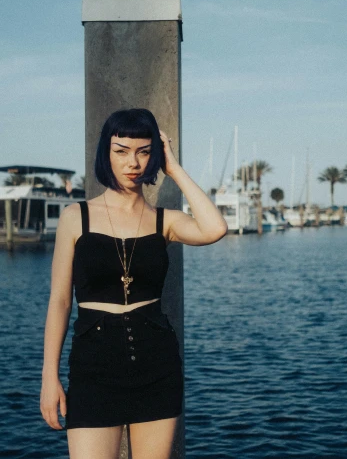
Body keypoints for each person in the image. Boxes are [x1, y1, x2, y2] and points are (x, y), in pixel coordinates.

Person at [40, 109, 227, 458]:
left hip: (156, 364)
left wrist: (174, 168)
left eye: (144, 151)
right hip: (93, 366)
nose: (133, 162)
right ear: (105, 153)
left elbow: (215, 228)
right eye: (121, 150)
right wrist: (49, 376)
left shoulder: (164, 221)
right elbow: (60, 301)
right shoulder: (74, 217)